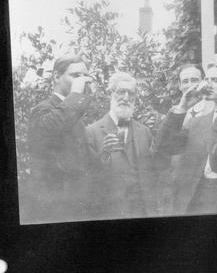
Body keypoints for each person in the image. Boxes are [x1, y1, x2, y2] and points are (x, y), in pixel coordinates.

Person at [154, 62, 217, 215]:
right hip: (198, 200)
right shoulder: (196, 123)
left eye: (216, 80)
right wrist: (182, 106)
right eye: (207, 80)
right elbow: (164, 146)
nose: (208, 84)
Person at [85, 72, 169, 220]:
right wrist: (103, 155)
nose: (125, 97)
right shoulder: (91, 132)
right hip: (110, 214)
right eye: (121, 92)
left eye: (130, 93)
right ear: (111, 94)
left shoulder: (144, 131)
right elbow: (88, 181)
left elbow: (154, 171)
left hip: (143, 213)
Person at [23, 55, 94, 223]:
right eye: (76, 75)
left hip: (77, 207)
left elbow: (86, 162)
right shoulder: (42, 110)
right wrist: (76, 93)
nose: (82, 81)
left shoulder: (75, 118)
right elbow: (53, 126)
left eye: (85, 76)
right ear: (56, 76)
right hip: (53, 209)